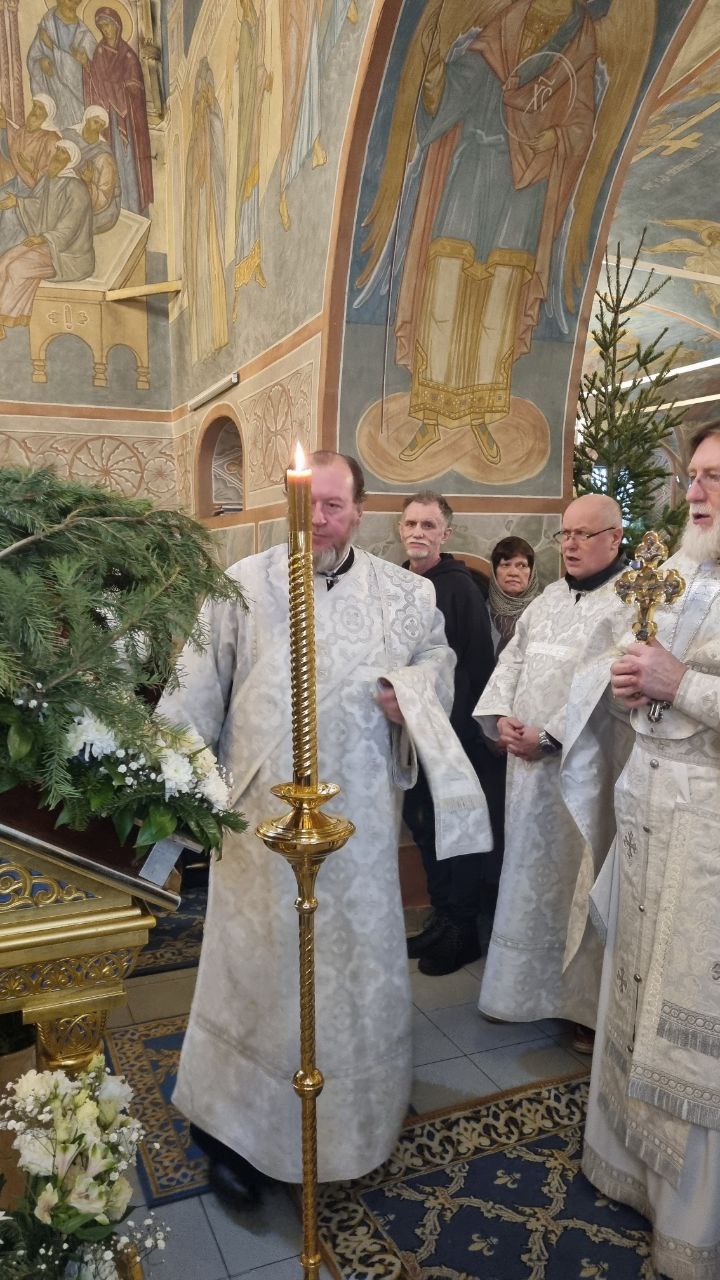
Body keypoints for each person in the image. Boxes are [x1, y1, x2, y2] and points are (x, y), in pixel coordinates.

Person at [156, 451, 491, 1205]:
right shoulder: (242, 584)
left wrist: (414, 693)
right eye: (307, 502)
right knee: (257, 974)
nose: (319, 518)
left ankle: (358, 1114)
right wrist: (179, 795)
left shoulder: (405, 594)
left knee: (353, 972)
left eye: (334, 505)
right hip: (258, 828)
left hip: (359, 830)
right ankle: (235, 1133)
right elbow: (193, 692)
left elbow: (439, 662)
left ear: (360, 512)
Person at [561, 427, 720, 1280]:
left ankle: (692, 1231)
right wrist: (631, 686)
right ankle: (630, 1172)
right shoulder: (683, 572)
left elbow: (679, 683)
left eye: (715, 478)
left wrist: (677, 683)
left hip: (710, 839)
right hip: (653, 813)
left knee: (689, 1015)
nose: (694, 493)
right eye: (693, 476)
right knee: (633, 990)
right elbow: (640, 674)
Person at [474, 494, 625, 1049]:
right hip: (527, 771)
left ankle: (580, 1008)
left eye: (585, 534)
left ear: (615, 538)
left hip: (584, 773)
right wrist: (502, 718)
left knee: (579, 880)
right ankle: (516, 991)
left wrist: (552, 734)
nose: (571, 545)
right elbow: (512, 660)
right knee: (524, 876)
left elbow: (609, 681)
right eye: (565, 535)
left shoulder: (628, 602)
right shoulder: (548, 600)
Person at [399, 491, 499, 974]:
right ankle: (441, 918)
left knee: (456, 828)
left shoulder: (459, 588)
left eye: (428, 525)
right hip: (414, 729)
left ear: (445, 533)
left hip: (455, 734)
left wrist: (476, 730)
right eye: (411, 523)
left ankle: (463, 930)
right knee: (423, 824)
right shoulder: (401, 583)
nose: (418, 532)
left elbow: (478, 662)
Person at [0, 140, 94, 341]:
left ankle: (6, 317)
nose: (56, 156)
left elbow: (70, 228)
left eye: (63, 154)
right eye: (57, 151)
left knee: (17, 268)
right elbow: (38, 206)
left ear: (71, 160)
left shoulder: (77, 188)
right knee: (5, 260)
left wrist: (42, 237)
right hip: (46, 245)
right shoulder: (49, 179)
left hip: (69, 256)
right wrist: (18, 202)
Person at [81, 7, 154, 216]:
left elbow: (134, 89)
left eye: (108, 25)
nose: (105, 29)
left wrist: (114, 88)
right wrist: (87, 68)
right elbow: (95, 84)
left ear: (117, 26)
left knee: (128, 163)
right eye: (101, 26)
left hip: (127, 122)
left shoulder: (128, 56)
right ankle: (115, 210)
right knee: (110, 162)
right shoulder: (99, 52)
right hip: (108, 121)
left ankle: (132, 208)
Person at [27, 0, 96, 130]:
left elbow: (95, 70)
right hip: (52, 91)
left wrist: (53, 48)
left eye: (77, 1)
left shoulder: (84, 34)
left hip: (76, 99)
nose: (74, 3)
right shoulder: (47, 24)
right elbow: (33, 58)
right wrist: (41, 61)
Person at [65, 107, 120, 234]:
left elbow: (104, 197)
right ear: (86, 119)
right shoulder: (68, 135)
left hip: (95, 207)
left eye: (101, 125)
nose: (98, 128)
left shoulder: (104, 155)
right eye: (96, 122)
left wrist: (89, 183)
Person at [487, 535, 539, 654]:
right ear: (495, 571)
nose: (513, 573)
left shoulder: (544, 611)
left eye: (522, 565)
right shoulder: (479, 612)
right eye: (505, 565)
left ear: (531, 572)